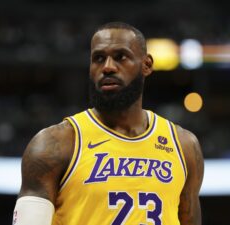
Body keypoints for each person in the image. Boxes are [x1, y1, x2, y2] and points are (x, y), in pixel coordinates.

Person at [12, 22, 204, 225]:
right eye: (99, 58)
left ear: (146, 65)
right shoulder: (54, 144)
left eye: (121, 56)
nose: (108, 67)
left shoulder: (184, 146)